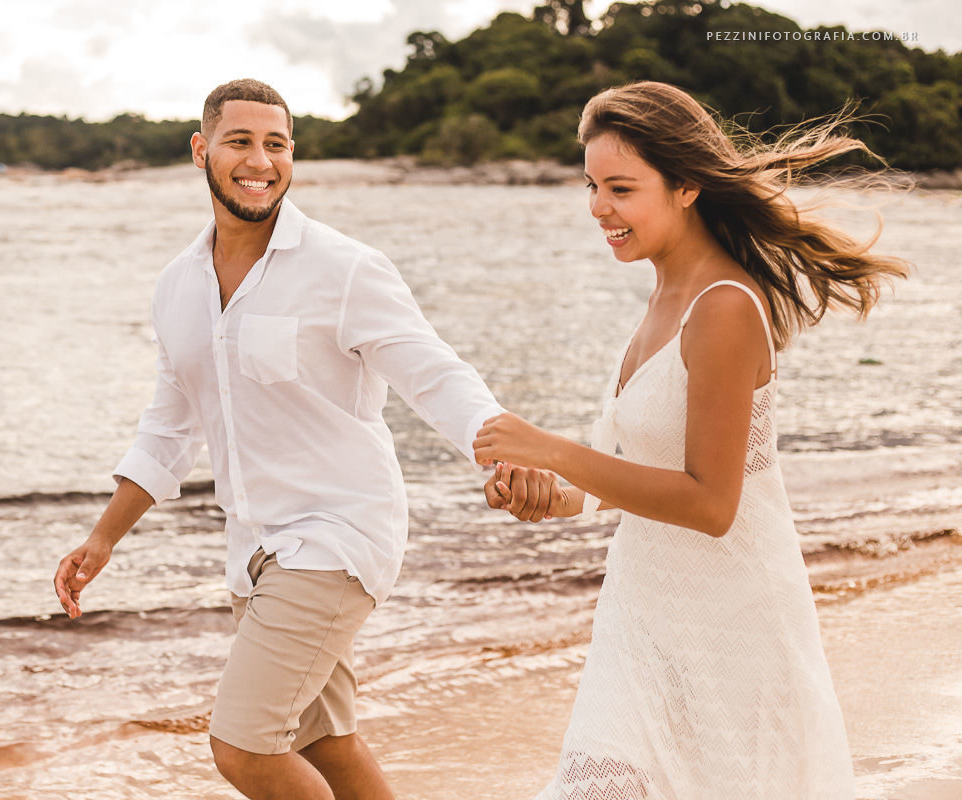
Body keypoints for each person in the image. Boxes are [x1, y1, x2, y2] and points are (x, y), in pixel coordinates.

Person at [52, 78, 553, 800]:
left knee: (244, 748)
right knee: (323, 742)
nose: (261, 160)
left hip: (337, 537)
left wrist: (507, 455)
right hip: (253, 547)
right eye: (240, 141)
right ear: (201, 151)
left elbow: (434, 375)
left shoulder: (343, 268)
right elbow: (169, 426)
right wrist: (102, 539)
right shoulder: (176, 287)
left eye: (277, 144)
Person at [474, 81, 910, 799]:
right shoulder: (662, 300)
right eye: (590, 186)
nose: (598, 209)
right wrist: (548, 496)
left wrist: (549, 447)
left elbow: (712, 503)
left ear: (685, 187)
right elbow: (623, 474)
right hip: (647, 621)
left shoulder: (725, 307)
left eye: (620, 187)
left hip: (730, 630)